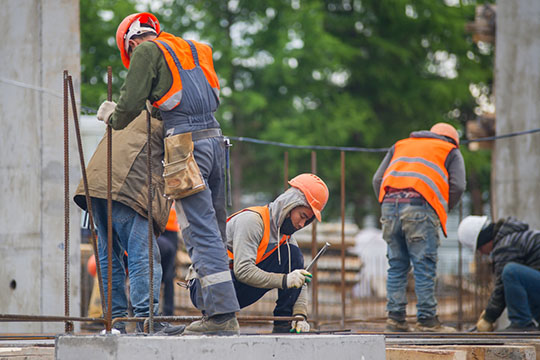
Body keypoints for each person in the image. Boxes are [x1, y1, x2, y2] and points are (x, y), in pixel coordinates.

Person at [97, 12, 240, 335]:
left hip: (185, 147)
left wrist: (113, 117)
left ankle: (220, 317)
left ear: (131, 44)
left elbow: (131, 102)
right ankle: (218, 310)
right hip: (216, 141)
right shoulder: (194, 49)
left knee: (198, 231)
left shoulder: (146, 51)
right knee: (215, 230)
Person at [74, 110, 184, 335]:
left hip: (96, 186)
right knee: (142, 256)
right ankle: (147, 320)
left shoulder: (128, 113)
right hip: (127, 190)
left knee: (109, 257)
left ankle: (115, 323)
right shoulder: (169, 121)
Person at [187, 173, 329, 333]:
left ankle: (286, 325)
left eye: (307, 220)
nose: (302, 224)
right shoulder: (252, 222)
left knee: (294, 256)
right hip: (205, 287)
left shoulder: (285, 238)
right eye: (302, 216)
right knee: (289, 261)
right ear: (290, 205)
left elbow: (299, 279)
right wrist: (284, 280)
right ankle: (218, 319)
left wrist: (300, 315)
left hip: (233, 288)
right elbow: (243, 271)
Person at [372, 122, 466, 332]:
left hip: (389, 207)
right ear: (453, 140)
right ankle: (427, 321)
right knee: (424, 265)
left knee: (396, 265)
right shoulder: (450, 150)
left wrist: (389, 205)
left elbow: (378, 179)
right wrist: (440, 206)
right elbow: (459, 185)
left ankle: (395, 319)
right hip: (420, 208)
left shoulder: (401, 145)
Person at [458, 216, 540, 332]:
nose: (481, 253)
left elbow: (501, 286)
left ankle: (521, 323)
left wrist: (489, 317)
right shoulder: (513, 238)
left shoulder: (506, 245)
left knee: (511, 272)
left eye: (479, 249)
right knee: (524, 282)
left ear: (484, 240)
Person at [157, 205, 180, 316]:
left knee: (168, 275)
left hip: (169, 229)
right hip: (158, 226)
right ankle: (166, 311)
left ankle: (168, 311)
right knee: (164, 274)